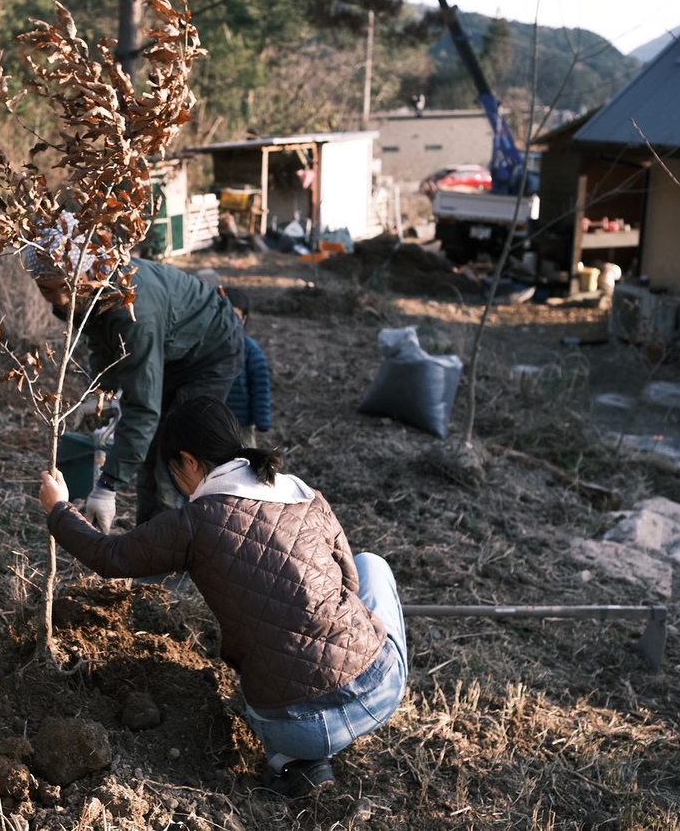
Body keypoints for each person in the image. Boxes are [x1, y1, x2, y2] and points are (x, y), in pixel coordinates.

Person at [37, 396, 407, 797]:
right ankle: (348, 703)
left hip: (297, 727)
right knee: (372, 564)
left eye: (175, 470)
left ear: (189, 461)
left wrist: (58, 509)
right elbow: (350, 583)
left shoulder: (194, 522)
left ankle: (296, 762)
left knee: (263, 657)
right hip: (381, 688)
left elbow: (108, 556)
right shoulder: (304, 494)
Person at [27, 222, 244, 530]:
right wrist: (101, 392)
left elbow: (144, 407)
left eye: (67, 287)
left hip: (211, 352)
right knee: (152, 446)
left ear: (89, 270)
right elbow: (102, 339)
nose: (61, 300)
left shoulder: (131, 309)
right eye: (46, 290)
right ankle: (150, 539)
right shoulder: (87, 293)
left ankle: (175, 556)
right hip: (171, 348)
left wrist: (107, 486)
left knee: (177, 453)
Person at [222, 288, 272, 449]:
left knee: (246, 461)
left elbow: (260, 385)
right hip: (214, 420)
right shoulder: (207, 346)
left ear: (244, 319)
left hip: (241, 422)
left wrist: (262, 420)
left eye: (235, 316)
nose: (230, 321)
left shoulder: (250, 348)